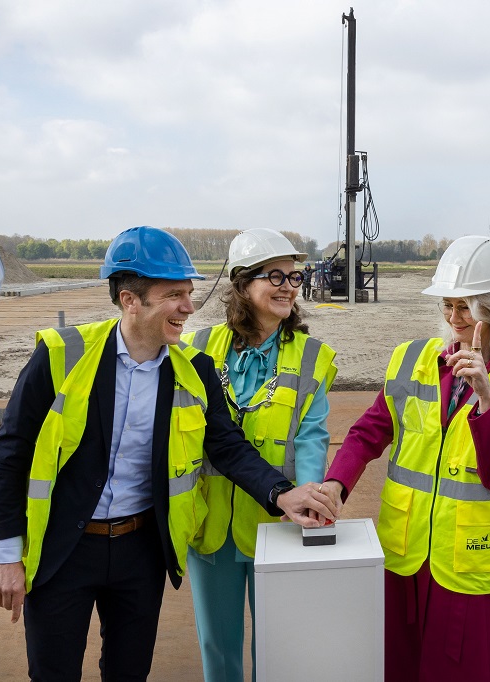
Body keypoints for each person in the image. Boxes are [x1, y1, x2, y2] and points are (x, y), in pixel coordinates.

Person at [0, 226, 336, 681]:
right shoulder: (60, 356)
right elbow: (9, 456)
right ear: (131, 300)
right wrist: (6, 553)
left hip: (140, 550)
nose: (189, 307)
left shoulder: (193, 369)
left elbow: (226, 445)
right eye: (174, 295)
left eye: (189, 293)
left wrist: (282, 494)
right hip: (63, 550)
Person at [320, 236, 490, 681]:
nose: (453, 318)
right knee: (399, 667)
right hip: (404, 555)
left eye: (465, 307)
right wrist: (337, 483)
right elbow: (371, 430)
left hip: (465, 561)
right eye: (448, 305)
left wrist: (486, 400)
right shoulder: (412, 361)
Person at [183, 228, 337, 682]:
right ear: (242, 283)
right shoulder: (196, 349)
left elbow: (312, 437)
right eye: (275, 275)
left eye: (295, 276)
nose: (289, 286)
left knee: (277, 647)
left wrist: (307, 502)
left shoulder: (313, 358)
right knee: (218, 647)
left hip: (279, 523)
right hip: (211, 525)